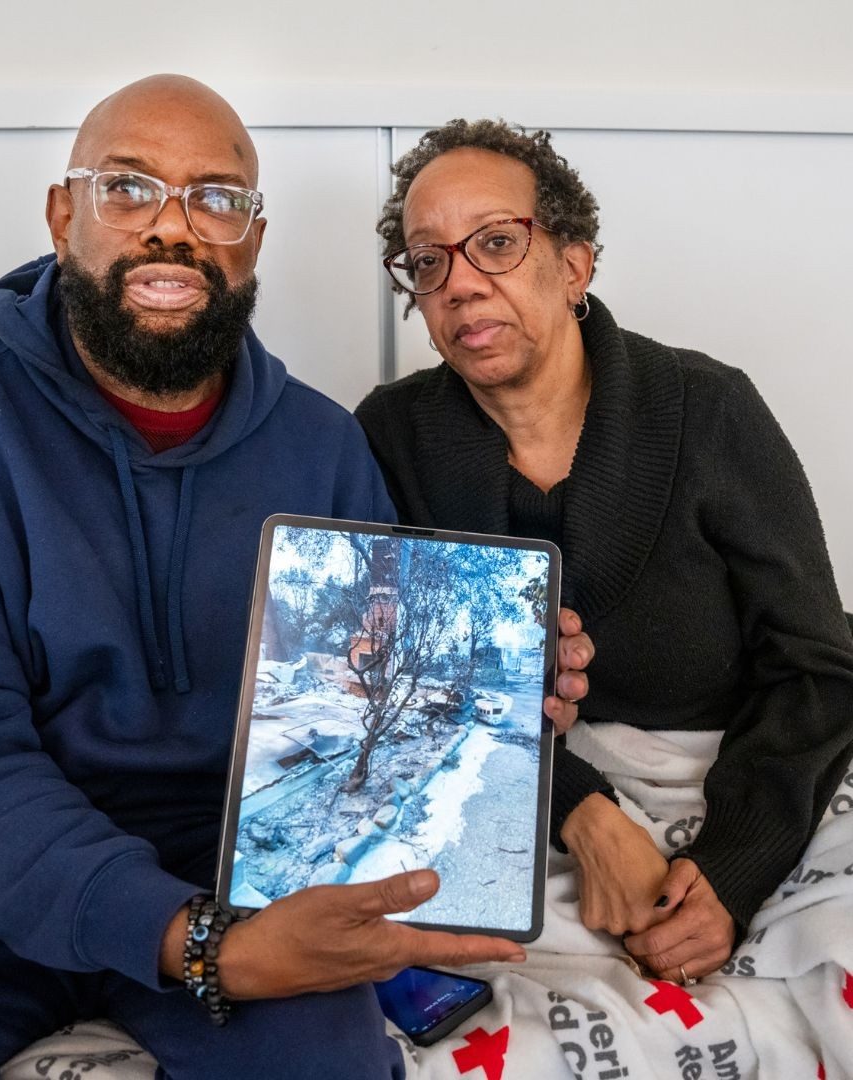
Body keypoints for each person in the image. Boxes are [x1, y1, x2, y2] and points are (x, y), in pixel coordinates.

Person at [0, 79, 593, 1079]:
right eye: (128, 188)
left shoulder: (325, 451)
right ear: (63, 215)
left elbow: (358, 730)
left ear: (252, 240)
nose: (174, 228)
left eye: (216, 198)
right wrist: (194, 943)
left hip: (243, 872)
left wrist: (486, 707)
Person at [355, 118, 853, 986]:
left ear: (575, 264)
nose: (460, 285)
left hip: (745, 775)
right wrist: (580, 811)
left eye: (497, 244)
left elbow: (817, 667)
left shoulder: (709, 410)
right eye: (428, 261)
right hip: (514, 784)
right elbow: (387, 687)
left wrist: (731, 874)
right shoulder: (392, 437)